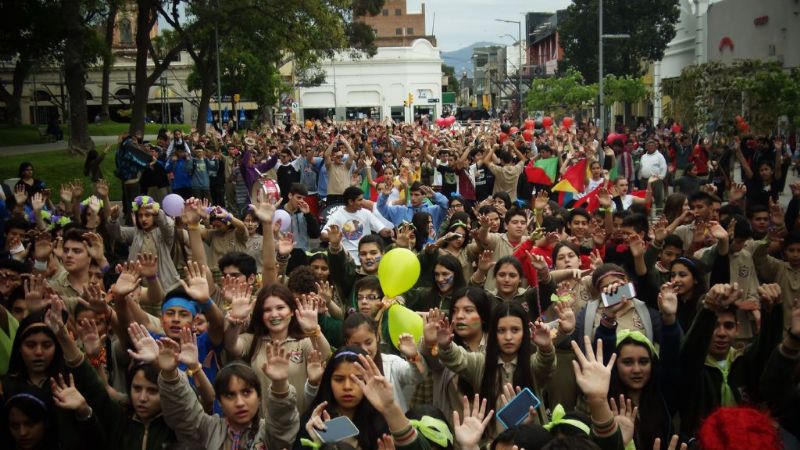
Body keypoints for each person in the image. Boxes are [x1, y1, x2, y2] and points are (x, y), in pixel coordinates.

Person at [434, 302, 558, 442]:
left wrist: (546, 348)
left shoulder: (532, 365)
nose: (508, 337)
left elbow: (546, 363)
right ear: (493, 333)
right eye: (501, 330)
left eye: (515, 330)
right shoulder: (481, 363)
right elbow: (458, 358)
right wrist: (445, 345)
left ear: (525, 332)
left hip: (529, 442)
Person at [158, 339, 300, 449]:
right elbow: (183, 414)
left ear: (259, 397)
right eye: (230, 395)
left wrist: (280, 384)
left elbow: (283, 425)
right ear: (220, 402)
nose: (240, 403)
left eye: (246, 392)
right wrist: (170, 374)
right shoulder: (208, 428)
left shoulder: (269, 433)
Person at [297, 346, 433, 450]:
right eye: (339, 379)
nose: (347, 387)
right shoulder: (314, 424)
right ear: (328, 381)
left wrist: (390, 408)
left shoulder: (383, 424)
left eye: (357, 379)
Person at [322, 186, 392, 264]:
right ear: (351, 202)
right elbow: (323, 235)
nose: (363, 202)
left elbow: (382, 230)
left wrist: (389, 231)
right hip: (348, 261)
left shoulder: (366, 213)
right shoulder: (337, 216)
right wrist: (333, 237)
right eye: (360, 200)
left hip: (367, 259)